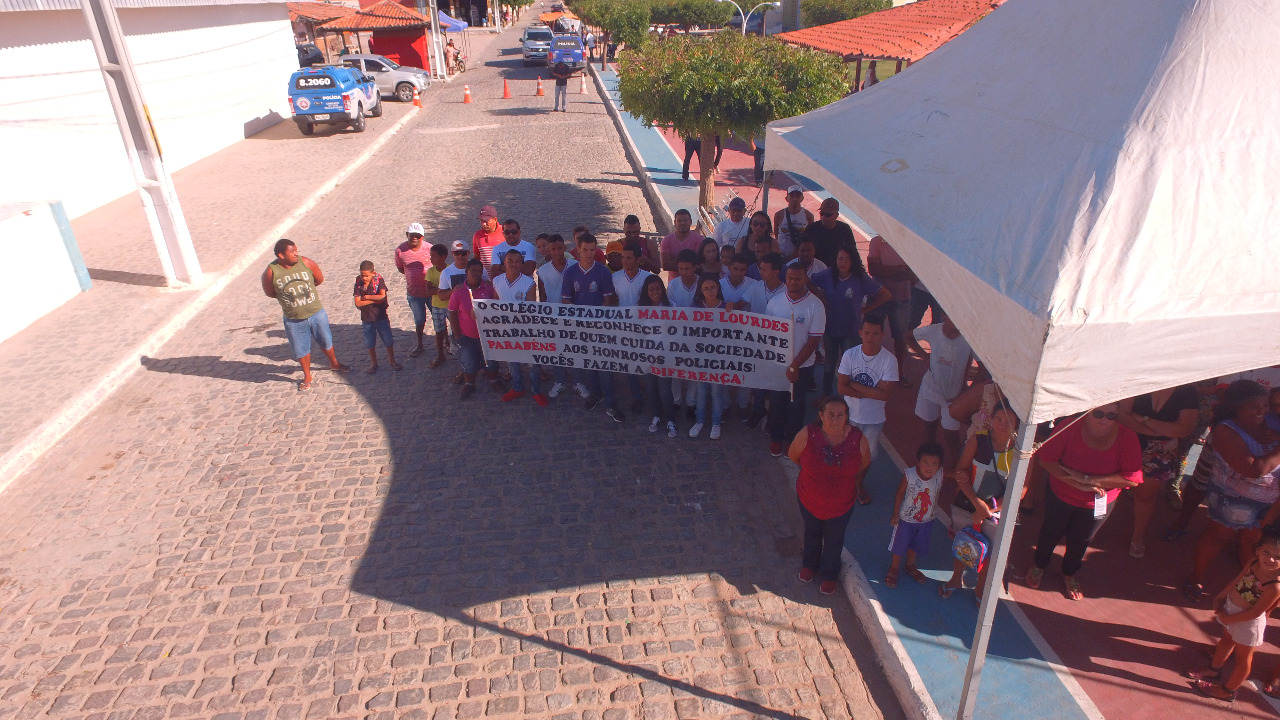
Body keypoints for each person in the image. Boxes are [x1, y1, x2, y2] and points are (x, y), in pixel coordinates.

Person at [1026, 403, 1143, 601]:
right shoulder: (1068, 427)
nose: (1104, 420)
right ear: (1087, 411)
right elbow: (1045, 459)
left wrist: (1087, 480)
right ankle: (1039, 565)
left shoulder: (1127, 438)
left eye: (1111, 416)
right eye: (1099, 413)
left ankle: (1069, 573)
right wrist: (1076, 483)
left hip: (1099, 502)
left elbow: (1132, 478)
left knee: (1082, 539)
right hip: (1061, 494)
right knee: (1051, 531)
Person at [1183, 380, 1280, 601]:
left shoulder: (1272, 421)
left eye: (1265, 405)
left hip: (1270, 502)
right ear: (1237, 407)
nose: (1262, 410)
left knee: (1254, 544)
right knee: (1217, 538)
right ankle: (1195, 577)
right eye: (1254, 406)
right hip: (1233, 500)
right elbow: (1253, 470)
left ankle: (1244, 588)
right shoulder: (1226, 430)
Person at [1187, 523, 1280, 702]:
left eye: (1278, 557)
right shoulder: (1253, 562)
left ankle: (1228, 691)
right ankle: (1213, 670)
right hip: (1232, 611)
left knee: (1243, 659)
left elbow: (1255, 613)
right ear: (1258, 550)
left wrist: (1229, 618)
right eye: (1266, 552)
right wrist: (1221, 596)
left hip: (1248, 623)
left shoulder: (1274, 587)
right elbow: (1238, 580)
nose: (1270, 559)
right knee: (1226, 640)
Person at [788, 396, 870, 595]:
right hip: (809, 498)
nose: (835, 419)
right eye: (831, 414)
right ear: (821, 416)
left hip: (842, 503)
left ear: (847, 417)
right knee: (812, 532)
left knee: (835, 538)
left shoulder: (858, 439)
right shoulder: (807, 434)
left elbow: (864, 463)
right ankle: (809, 564)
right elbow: (793, 455)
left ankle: (829, 574)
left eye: (840, 415)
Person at [938, 401, 1017, 600]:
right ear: (991, 419)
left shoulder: (1020, 452)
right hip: (967, 505)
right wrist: (977, 504)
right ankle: (956, 579)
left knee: (991, 552)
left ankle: (980, 588)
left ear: (1017, 424)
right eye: (998, 418)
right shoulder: (978, 440)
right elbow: (961, 472)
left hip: (997, 513)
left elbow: (1021, 490)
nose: (1002, 424)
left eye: (1008, 421)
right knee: (963, 542)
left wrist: (989, 510)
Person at [1117, 384, 1199, 558]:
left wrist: (1144, 420)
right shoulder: (1139, 378)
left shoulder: (1187, 390)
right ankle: (1088, 527)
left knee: (1145, 496)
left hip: (1160, 449)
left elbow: (1183, 429)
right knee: (1104, 485)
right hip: (1126, 440)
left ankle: (1137, 537)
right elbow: (1122, 416)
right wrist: (1158, 430)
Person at [260, 239, 350, 391]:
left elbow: (319, 279)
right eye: (292, 252)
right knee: (301, 348)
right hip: (294, 319)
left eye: (296, 250)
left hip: (316, 313)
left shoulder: (306, 263)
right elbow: (270, 292)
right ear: (281, 255)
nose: (296, 254)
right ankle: (307, 375)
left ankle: (334, 363)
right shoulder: (271, 272)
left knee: (326, 340)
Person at [561, 232, 624, 422]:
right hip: (581, 328)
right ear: (578, 250)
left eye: (592, 250)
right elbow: (566, 301)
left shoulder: (603, 272)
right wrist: (580, 320)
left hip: (601, 327)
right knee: (590, 365)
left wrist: (596, 320)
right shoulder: (570, 273)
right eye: (585, 250)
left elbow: (608, 300)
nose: (589, 254)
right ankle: (596, 394)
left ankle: (611, 403)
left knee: (605, 367)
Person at [837, 314, 899, 504]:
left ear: (882, 335)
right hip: (849, 415)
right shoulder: (850, 354)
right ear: (860, 333)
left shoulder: (889, 360)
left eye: (875, 333)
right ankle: (845, 482)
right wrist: (873, 391)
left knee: (867, 456)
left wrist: (854, 384)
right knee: (844, 452)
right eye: (866, 333)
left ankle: (857, 484)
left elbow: (885, 395)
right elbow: (841, 388)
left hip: (873, 419)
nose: (870, 337)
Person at [811, 247, 889, 397]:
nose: (843, 262)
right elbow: (809, 281)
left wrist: (866, 309)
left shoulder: (860, 278)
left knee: (849, 366)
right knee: (829, 364)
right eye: (840, 258)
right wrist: (821, 298)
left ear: (853, 261)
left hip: (851, 331)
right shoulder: (828, 274)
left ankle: (848, 398)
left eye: (848, 259)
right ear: (835, 260)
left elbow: (885, 294)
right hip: (830, 328)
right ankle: (826, 397)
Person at [766, 265, 826, 457]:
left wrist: (794, 366)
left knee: (796, 404)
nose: (793, 282)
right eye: (790, 278)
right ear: (786, 279)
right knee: (776, 402)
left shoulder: (816, 305)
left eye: (798, 278)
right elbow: (767, 333)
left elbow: (814, 340)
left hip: (803, 366)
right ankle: (776, 438)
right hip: (778, 364)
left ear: (805, 279)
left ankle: (791, 440)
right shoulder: (775, 302)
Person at [908, 313, 973, 464]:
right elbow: (908, 336)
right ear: (943, 315)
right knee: (929, 428)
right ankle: (928, 463)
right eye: (951, 315)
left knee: (951, 435)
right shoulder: (933, 330)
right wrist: (925, 356)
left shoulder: (969, 337)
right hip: (930, 388)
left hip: (954, 395)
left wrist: (970, 390)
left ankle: (956, 467)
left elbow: (982, 364)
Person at [493, 250, 547, 406]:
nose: (513, 264)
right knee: (512, 359)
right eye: (510, 260)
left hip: (526, 328)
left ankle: (536, 390)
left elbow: (530, 308)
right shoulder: (496, 281)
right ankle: (517, 387)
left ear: (522, 264)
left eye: (517, 261)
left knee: (532, 361)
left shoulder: (528, 283)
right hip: (506, 328)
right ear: (504, 262)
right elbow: (495, 305)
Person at [887, 443, 945, 588]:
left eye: (934, 464)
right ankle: (894, 568)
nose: (929, 467)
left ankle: (910, 565)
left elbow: (956, 473)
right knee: (900, 544)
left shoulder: (940, 474)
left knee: (916, 545)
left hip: (926, 521)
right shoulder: (909, 475)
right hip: (905, 520)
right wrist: (895, 513)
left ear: (939, 466)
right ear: (918, 462)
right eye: (925, 462)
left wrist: (962, 474)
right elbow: (900, 493)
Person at [535, 234, 582, 399]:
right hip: (554, 317)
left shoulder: (576, 266)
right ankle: (559, 381)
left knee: (575, 349)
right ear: (549, 249)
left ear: (564, 248)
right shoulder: (543, 271)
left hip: (573, 315)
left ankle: (578, 381)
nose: (556, 252)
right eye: (553, 249)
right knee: (557, 350)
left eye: (559, 248)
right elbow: (542, 296)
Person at [867, 235, 915, 387]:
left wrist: (885, 271)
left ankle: (899, 371)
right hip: (878, 297)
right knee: (871, 334)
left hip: (901, 298)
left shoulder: (909, 243)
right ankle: (870, 369)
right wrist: (900, 269)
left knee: (901, 338)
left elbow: (912, 274)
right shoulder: (876, 241)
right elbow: (874, 270)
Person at [448, 259, 499, 399]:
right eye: (473, 270)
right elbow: (452, 312)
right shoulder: (459, 292)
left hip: (487, 335)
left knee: (491, 361)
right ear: (466, 272)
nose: (476, 273)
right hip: (467, 336)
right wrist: (457, 335)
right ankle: (469, 384)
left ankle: (494, 381)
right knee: (469, 362)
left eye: (479, 271)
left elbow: (496, 308)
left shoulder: (489, 289)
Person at [638, 275, 679, 438]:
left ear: (663, 289)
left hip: (665, 356)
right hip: (647, 356)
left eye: (658, 288)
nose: (655, 292)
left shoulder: (672, 307)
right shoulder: (639, 309)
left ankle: (670, 420)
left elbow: (676, 332)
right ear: (646, 291)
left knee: (664, 390)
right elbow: (637, 332)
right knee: (651, 388)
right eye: (651, 289)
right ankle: (656, 416)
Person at [613, 243, 652, 412]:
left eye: (629, 258)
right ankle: (636, 397)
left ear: (638, 259)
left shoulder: (647, 278)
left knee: (646, 363)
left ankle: (652, 395)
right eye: (623, 257)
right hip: (624, 328)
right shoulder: (615, 277)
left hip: (644, 328)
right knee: (630, 364)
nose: (625, 261)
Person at [690, 275, 728, 440]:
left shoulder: (726, 307)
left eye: (713, 287)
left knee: (716, 391)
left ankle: (716, 423)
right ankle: (699, 421)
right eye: (706, 288)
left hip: (719, 357)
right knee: (700, 390)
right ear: (701, 290)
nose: (710, 291)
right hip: (700, 356)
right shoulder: (695, 307)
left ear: (718, 288)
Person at [352, 260, 400, 374]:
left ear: (373, 273)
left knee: (388, 340)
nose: (364, 278)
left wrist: (367, 297)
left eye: (366, 276)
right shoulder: (358, 282)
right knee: (370, 342)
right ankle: (373, 363)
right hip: (367, 317)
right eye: (362, 275)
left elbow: (382, 297)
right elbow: (358, 303)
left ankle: (392, 360)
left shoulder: (378, 280)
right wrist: (374, 300)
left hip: (380, 316)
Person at [394, 223, 433, 359]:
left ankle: (446, 343)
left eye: (418, 235)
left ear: (422, 237)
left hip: (432, 292)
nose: (415, 238)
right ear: (407, 235)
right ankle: (420, 344)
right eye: (412, 235)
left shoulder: (430, 248)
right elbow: (400, 268)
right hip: (414, 294)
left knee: (439, 319)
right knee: (419, 320)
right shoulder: (400, 251)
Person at [800, 197, 857, 270]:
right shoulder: (811, 228)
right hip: (816, 268)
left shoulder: (844, 229)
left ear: (836, 215)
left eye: (828, 215)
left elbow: (852, 252)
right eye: (822, 214)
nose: (824, 217)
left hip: (837, 269)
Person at [422, 243, 452, 368]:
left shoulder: (451, 270)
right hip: (437, 306)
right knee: (439, 330)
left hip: (451, 305)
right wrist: (444, 291)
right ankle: (440, 355)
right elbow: (428, 291)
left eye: (433, 256)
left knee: (456, 330)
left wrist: (438, 290)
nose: (431, 259)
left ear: (443, 257)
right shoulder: (430, 271)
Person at [660, 209, 706, 274]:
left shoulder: (700, 239)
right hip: (674, 279)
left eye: (685, 220)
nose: (682, 223)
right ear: (675, 222)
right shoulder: (667, 240)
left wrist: (675, 261)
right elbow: (665, 266)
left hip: (697, 279)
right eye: (679, 221)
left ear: (690, 222)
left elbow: (702, 262)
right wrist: (690, 266)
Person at [773, 185, 812, 259]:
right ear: (786, 198)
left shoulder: (808, 216)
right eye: (792, 196)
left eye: (798, 196)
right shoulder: (779, 215)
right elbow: (776, 234)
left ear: (802, 198)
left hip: (799, 256)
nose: (795, 199)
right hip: (782, 254)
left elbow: (809, 236)